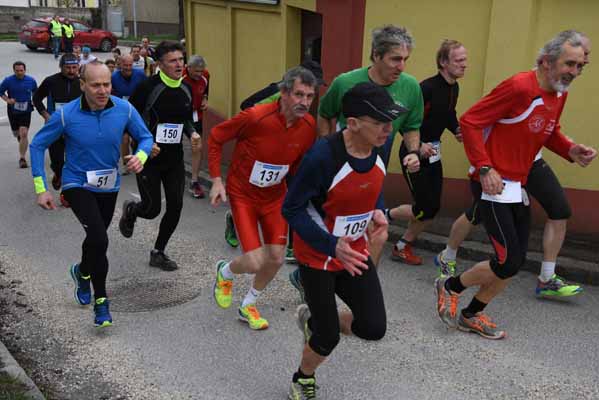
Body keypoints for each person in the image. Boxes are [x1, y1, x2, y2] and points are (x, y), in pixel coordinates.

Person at [435, 30, 597, 340]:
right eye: (569, 64)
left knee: (515, 261)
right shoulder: (519, 87)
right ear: (547, 61)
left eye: (580, 66)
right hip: (491, 183)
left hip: (517, 183)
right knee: (508, 260)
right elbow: (470, 121)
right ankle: (450, 286)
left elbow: (548, 131)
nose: (574, 73)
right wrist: (484, 168)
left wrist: (570, 149)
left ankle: (472, 314)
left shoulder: (559, 92)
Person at [282, 82, 403, 399]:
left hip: (355, 252)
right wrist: (331, 244)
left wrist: (377, 212)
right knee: (327, 338)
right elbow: (292, 208)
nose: (388, 130)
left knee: (373, 327)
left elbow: (369, 184)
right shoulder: (323, 157)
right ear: (353, 124)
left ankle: (316, 320)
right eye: (380, 123)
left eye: (390, 122)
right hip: (319, 257)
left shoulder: (378, 145)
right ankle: (303, 377)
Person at [29, 61, 153, 327]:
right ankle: (102, 302)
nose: (102, 90)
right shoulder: (66, 115)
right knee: (99, 238)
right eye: (95, 85)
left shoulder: (124, 109)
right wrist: (42, 189)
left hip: (109, 185)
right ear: (82, 85)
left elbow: (146, 137)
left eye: (106, 84)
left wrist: (141, 156)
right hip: (77, 185)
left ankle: (82, 271)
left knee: (96, 240)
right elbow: (38, 145)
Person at [209, 66, 318, 330]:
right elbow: (215, 137)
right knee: (255, 260)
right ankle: (225, 272)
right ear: (283, 93)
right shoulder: (256, 117)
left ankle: (248, 304)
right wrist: (216, 181)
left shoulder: (308, 126)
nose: (304, 102)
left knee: (277, 258)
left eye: (310, 96)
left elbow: (298, 164)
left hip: (274, 197)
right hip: (243, 194)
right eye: (299, 95)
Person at [384, 39, 467, 267]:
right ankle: (382, 216)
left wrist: (456, 129)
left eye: (464, 60)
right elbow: (402, 117)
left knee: (431, 208)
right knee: (424, 207)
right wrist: (417, 145)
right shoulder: (427, 88)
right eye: (459, 60)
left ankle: (402, 246)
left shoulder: (454, 87)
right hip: (413, 154)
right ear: (443, 62)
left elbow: (448, 113)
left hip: (433, 153)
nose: (464, 64)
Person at [118, 41, 199, 271]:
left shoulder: (186, 88)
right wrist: (144, 142)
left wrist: (192, 133)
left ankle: (158, 252)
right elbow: (128, 118)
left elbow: (186, 119)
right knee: (152, 209)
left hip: (173, 159)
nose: (179, 64)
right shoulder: (147, 87)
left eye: (181, 60)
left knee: (176, 205)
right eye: (173, 61)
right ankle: (132, 210)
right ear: (160, 64)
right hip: (148, 158)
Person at [32, 53, 82, 204]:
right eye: (68, 68)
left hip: (76, 128)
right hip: (55, 127)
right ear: (61, 67)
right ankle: (58, 173)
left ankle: (66, 194)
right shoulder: (51, 81)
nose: (72, 71)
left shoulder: (82, 82)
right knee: (58, 160)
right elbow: (36, 98)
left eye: (74, 67)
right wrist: (46, 115)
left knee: (74, 160)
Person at [111, 54, 147, 174]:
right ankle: (127, 164)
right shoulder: (114, 77)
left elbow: (147, 90)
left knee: (136, 139)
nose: (127, 68)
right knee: (125, 139)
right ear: (120, 64)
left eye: (130, 65)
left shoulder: (140, 74)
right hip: (121, 112)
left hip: (137, 111)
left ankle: (137, 160)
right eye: (125, 65)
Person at [0, 61, 38, 168]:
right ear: (14, 71)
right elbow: (0, 92)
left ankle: (22, 158)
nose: (20, 73)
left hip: (26, 110)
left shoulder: (31, 80)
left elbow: (36, 92)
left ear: (25, 70)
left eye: (21, 70)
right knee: (17, 133)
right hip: (13, 110)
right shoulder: (8, 80)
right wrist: (7, 100)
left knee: (24, 133)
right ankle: (20, 139)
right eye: (17, 71)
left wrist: (35, 101)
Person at [182, 55, 209, 198]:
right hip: (179, 115)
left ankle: (194, 181)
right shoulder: (180, 77)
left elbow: (205, 90)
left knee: (197, 146)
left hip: (195, 115)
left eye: (201, 71)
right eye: (196, 71)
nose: (199, 74)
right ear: (189, 67)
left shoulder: (205, 75)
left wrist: (205, 99)